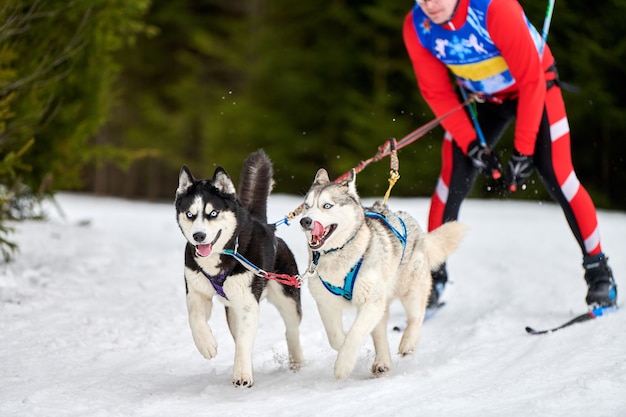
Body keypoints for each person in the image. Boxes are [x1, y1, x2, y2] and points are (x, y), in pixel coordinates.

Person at [402, 0, 618, 311]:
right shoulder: (417, 25)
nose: (429, 4)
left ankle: (599, 273)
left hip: (534, 87)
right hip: (483, 98)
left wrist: (523, 149)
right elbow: (436, 91)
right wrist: (471, 144)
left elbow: (531, 82)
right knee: (455, 174)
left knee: (555, 171)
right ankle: (433, 276)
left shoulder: (494, 9)